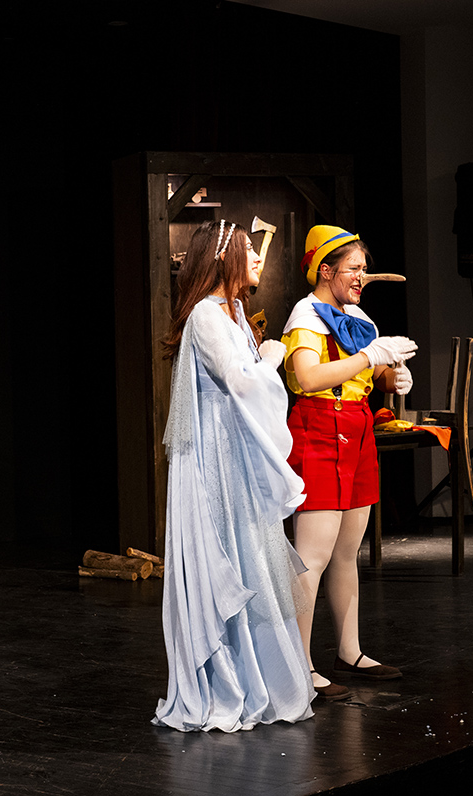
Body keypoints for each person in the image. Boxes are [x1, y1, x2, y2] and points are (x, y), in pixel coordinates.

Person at [152, 219, 314, 732]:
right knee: (229, 553)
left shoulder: (236, 311)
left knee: (254, 559)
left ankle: (261, 676)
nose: (258, 257)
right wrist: (271, 359)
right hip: (215, 460)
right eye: (248, 249)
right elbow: (239, 381)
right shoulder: (205, 314)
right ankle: (227, 679)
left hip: (237, 456)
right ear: (224, 258)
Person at [281, 225, 417, 699]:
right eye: (353, 269)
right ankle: (298, 665)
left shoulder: (356, 315)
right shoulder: (306, 316)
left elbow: (369, 372)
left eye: (364, 269)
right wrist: (368, 357)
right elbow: (309, 377)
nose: (362, 278)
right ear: (326, 270)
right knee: (312, 556)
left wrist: (391, 377)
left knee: (346, 552)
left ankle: (349, 651)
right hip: (319, 428)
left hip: (357, 429)